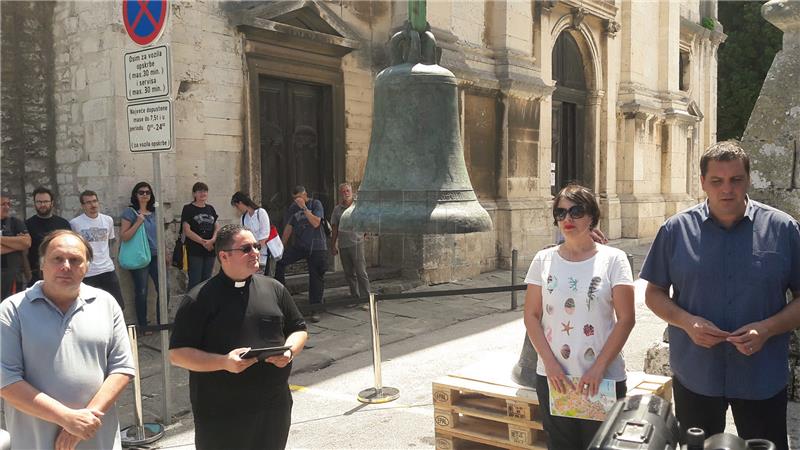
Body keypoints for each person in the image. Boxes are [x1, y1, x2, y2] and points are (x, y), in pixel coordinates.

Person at [641, 141, 800, 450]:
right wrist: (687, 322)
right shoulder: (675, 230)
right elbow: (653, 293)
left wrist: (767, 329)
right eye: (717, 181)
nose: (727, 189)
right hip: (696, 375)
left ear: (748, 180)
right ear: (702, 182)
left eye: (735, 179)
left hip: (761, 377)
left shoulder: (783, 229)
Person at [169, 224, 308, 450]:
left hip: (272, 408)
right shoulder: (199, 299)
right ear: (224, 256)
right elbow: (177, 355)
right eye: (246, 248)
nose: (255, 252)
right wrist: (223, 362)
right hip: (222, 414)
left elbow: (299, 328)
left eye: (256, 246)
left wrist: (289, 350)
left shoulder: (274, 288)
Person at [523, 184, 635, 450]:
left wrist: (598, 368)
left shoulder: (614, 260)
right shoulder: (543, 259)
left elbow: (627, 318)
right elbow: (531, 315)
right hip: (555, 377)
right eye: (561, 213)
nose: (568, 219)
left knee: (601, 445)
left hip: (601, 378)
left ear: (593, 216)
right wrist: (548, 363)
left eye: (576, 211)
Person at [0, 230, 135, 449]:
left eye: (75, 260)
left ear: (87, 267)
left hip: (97, 439)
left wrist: (82, 423)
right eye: (57, 259)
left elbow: (122, 369)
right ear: (42, 264)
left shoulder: (106, 304)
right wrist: (66, 418)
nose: (66, 266)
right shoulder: (11, 310)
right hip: (36, 442)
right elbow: (6, 381)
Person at [275, 186, 328, 323]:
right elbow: (289, 227)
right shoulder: (293, 208)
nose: (296, 201)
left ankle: (315, 309)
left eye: (298, 197)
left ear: (305, 195)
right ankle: (281, 298)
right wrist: (281, 246)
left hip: (317, 246)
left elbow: (316, 223)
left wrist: (304, 208)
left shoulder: (316, 204)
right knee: (280, 262)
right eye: (294, 198)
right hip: (301, 245)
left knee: (316, 277)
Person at [70, 190, 125, 309]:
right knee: (88, 308)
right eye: (88, 202)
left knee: (118, 305)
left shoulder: (108, 220)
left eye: (95, 201)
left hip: (107, 269)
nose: (93, 205)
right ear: (83, 206)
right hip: (87, 272)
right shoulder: (75, 224)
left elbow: (110, 242)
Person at [120, 181, 162, 327]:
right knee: (142, 292)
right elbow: (124, 236)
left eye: (148, 192)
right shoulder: (130, 213)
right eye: (141, 192)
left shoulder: (156, 213)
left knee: (165, 289)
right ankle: (143, 326)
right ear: (135, 195)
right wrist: (138, 222)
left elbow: (160, 235)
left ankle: (161, 324)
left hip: (157, 256)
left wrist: (166, 253)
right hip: (140, 257)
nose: (145, 195)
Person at [24, 187, 72, 286]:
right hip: (36, 275)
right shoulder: (27, 225)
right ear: (34, 203)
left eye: (46, 201)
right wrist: (28, 274)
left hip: (61, 272)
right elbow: (24, 252)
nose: (42, 205)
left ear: (52, 203)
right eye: (39, 202)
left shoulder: (63, 224)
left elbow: (70, 249)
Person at [330, 183, 371, 299]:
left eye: (347, 191)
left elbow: (366, 221)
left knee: (361, 272)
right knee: (348, 273)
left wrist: (365, 234)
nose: (346, 193)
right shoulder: (337, 210)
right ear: (340, 194)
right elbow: (334, 228)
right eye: (343, 192)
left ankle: (366, 298)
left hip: (357, 244)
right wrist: (333, 245)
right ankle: (355, 297)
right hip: (343, 245)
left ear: (352, 192)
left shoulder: (358, 207)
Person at [181, 182, 220, 290]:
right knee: (195, 281)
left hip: (210, 250)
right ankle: (192, 306)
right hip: (195, 251)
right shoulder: (188, 208)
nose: (203, 193)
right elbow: (187, 230)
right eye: (200, 191)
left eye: (205, 191)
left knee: (207, 281)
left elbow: (217, 226)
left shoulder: (210, 208)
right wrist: (204, 242)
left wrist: (212, 240)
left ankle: (205, 306)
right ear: (194, 194)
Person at [230, 191, 271, 275]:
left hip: (262, 254)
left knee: (261, 279)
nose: (238, 209)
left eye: (237, 206)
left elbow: (265, 234)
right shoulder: (243, 218)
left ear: (241, 203)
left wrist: (255, 249)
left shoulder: (261, 213)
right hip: (250, 255)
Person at [1, 194, 30, 300]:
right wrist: (16, 244)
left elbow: (26, 242)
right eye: (3, 204)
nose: (7, 207)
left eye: (8, 204)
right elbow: (21, 244)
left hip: (13, 276)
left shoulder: (16, 223)